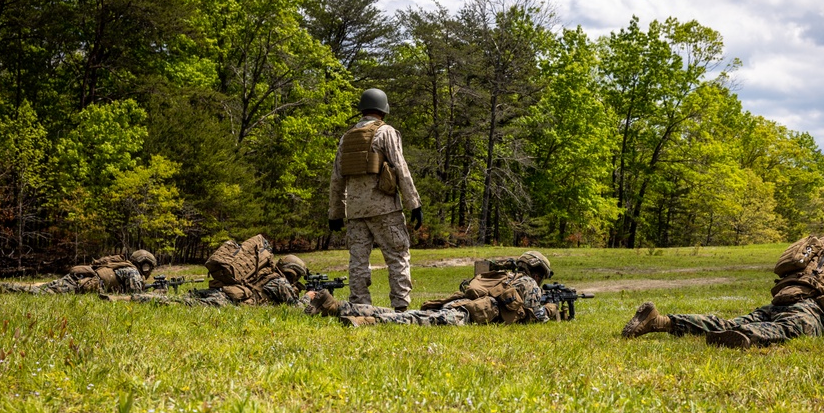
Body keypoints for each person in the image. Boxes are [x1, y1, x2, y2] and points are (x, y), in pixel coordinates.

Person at [621, 244, 824, 348]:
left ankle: (661, 321)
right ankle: (745, 336)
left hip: (783, 299)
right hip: (809, 311)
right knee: (787, 331)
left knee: (727, 320)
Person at [328, 88, 422, 312]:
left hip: (356, 212)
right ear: (384, 110)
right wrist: (414, 204)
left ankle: (360, 307)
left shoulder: (347, 137)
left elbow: (336, 177)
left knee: (358, 262)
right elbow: (401, 169)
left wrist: (335, 212)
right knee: (398, 256)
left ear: (363, 109)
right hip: (384, 209)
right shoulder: (387, 133)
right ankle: (400, 308)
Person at [305, 251, 559, 327]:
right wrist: (554, 310)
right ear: (536, 273)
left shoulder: (503, 275)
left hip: (458, 306)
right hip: (467, 315)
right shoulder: (528, 284)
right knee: (411, 319)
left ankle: (337, 306)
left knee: (405, 313)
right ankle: (366, 322)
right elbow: (537, 318)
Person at [130, 252, 309, 308]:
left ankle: (137, 297)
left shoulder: (265, 272)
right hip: (229, 300)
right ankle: (141, 298)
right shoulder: (280, 282)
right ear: (293, 273)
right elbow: (295, 307)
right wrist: (309, 296)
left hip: (222, 291)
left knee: (185, 299)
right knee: (184, 304)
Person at [0, 250, 157, 295]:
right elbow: (136, 298)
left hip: (80, 279)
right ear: (146, 266)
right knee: (33, 292)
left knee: (35, 288)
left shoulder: (123, 265)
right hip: (78, 284)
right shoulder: (132, 272)